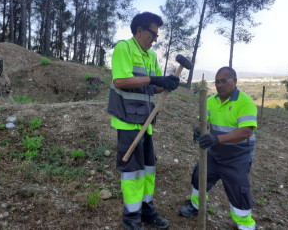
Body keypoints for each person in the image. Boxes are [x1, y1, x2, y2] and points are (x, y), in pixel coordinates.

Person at [107, 12, 180, 230]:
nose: (155, 39)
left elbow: (153, 86)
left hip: (146, 122)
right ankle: (131, 218)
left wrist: (166, 83)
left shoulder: (151, 56)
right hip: (128, 121)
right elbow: (120, 81)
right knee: (132, 173)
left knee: (148, 169)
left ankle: (147, 211)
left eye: (157, 35)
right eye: (153, 33)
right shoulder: (124, 48)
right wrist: (153, 79)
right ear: (140, 30)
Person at [179, 67, 258, 230]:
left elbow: (246, 131)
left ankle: (245, 225)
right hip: (214, 154)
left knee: (239, 191)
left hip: (237, 157)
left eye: (224, 81)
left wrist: (217, 139)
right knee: (199, 176)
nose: (219, 85)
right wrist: (197, 128)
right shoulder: (211, 100)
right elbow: (199, 119)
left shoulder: (245, 102)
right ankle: (196, 206)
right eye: (217, 82)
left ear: (234, 81)